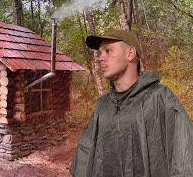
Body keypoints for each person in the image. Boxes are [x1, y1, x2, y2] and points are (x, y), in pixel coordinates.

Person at [70, 29, 193, 177]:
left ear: (130, 53)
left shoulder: (159, 97)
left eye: (108, 51)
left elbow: (184, 154)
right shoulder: (103, 106)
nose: (100, 58)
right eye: (100, 53)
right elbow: (85, 154)